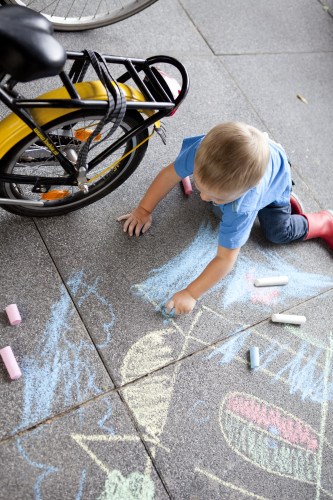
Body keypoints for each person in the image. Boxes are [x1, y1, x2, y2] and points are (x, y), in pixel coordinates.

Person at [117, 122, 333, 315]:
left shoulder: (242, 207)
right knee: (219, 210)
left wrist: (191, 293)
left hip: (277, 179)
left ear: (245, 192)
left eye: (215, 196)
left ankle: (322, 222)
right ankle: (222, 196)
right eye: (200, 186)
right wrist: (143, 210)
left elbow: (225, 259)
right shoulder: (202, 152)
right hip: (256, 158)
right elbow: (169, 174)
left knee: (276, 232)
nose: (203, 197)